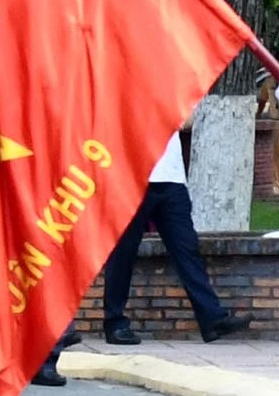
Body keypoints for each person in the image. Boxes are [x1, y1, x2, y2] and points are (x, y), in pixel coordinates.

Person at [94, 90, 248, 343]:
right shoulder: (121, 81)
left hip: (171, 177)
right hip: (132, 177)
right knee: (123, 252)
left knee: (187, 248)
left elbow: (187, 121)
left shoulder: (170, 80)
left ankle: (211, 319)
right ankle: (115, 322)